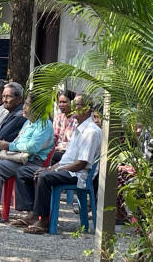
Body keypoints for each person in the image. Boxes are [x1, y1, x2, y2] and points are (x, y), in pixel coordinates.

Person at [10, 94, 101, 234]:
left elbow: (80, 164)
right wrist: (50, 168)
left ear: (87, 109)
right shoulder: (79, 128)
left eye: (76, 105)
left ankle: (44, 221)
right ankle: (31, 214)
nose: (72, 108)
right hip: (67, 169)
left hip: (78, 175)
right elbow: (66, 159)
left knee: (45, 177)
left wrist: (52, 171)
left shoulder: (91, 131)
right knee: (24, 172)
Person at [0, 94, 55, 222]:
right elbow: (18, 141)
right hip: (18, 158)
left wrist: (9, 146)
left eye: (27, 104)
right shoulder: (28, 122)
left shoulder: (44, 124)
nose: (24, 107)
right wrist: (4, 146)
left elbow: (33, 147)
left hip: (31, 161)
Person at [51, 90, 77, 164]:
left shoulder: (77, 120)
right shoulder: (58, 119)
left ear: (72, 103)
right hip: (56, 152)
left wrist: (58, 148)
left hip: (70, 153)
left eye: (64, 102)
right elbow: (53, 138)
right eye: (60, 102)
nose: (61, 105)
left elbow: (74, 144)